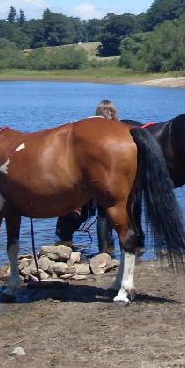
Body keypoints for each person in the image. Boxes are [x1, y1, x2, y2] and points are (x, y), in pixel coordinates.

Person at [55, 100, 119, 254]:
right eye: (106, 113)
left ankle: (100, 251)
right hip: (100, 179)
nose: (107, 116)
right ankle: (107, 251)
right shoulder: (118, 131)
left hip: (89, 180)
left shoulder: (86, 127)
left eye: (108, 113)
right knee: (103, 213)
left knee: (98, 213)